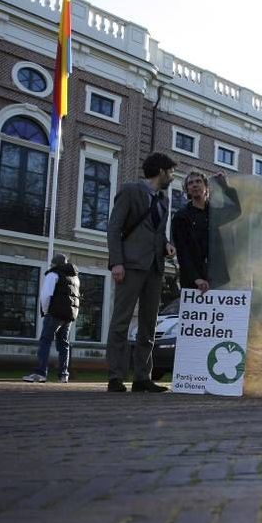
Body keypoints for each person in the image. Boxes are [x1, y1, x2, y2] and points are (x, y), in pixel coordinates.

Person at [106, 152, 177, 393]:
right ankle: (115, 377)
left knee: (149, 323)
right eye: (171, 172)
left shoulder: (164, 200)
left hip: (155, 268)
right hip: (130, 265)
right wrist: (116, 262)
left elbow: (157, 232)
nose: (173, 177)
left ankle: (142, 377)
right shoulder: (130, 191)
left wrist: (166, 244)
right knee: (121, 321)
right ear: (161, 172)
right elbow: (114, 227)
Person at [171, 171, 242, 293]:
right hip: (193, 280)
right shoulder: (181, 216)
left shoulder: (214, 212)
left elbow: (235, 210)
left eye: (198, 181)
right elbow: (183, 251)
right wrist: (196, 278)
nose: (194, 185)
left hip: (218, 277)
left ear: (206, 187)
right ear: (187, 190)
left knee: (218, 312)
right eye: (190, 183)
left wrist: (224, 186)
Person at [23, 253, 79, 383]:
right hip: (68, 315)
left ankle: (40, 373)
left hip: (54, 314)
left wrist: (46, 311)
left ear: (54, 264)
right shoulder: (75, 278)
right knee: (64, 344)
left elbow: (46, 295)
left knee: (45, 341)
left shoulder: (53, 274)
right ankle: (63, 375)